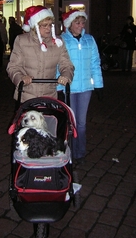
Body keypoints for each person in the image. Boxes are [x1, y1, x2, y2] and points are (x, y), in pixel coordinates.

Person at [57, 9, 104, 165]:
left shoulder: (89, 40)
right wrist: (59, 88)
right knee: (70, 122)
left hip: (85, 88)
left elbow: (95, 63)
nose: (81, 25)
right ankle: (67, 151)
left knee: (81, 122)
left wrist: (98, 85)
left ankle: (80, 153)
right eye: (77, 22)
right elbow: (58, 66)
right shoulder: (61, 40)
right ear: (70, 24)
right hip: (68, 88)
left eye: (82, 22)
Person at [6, 5, 74, 105]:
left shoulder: (58, 42)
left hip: (49, 96)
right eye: (44, 25)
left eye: (50, 25)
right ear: (35, 26)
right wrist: (21, 78)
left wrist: (66, 76)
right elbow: (13, 66)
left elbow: (67, 65)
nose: (48, 29)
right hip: (26, 95)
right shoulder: (21, 40)